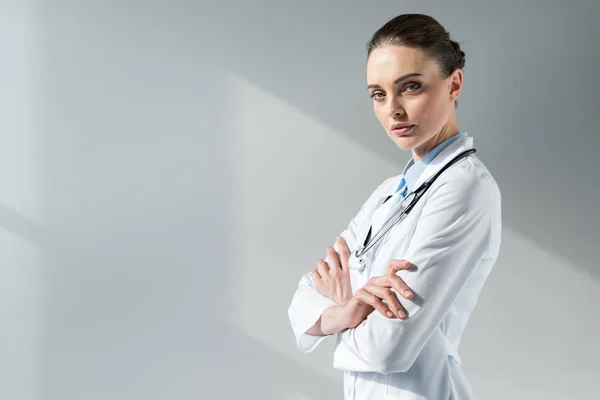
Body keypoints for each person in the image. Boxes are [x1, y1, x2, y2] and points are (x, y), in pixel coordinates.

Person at [287, 13, 502, 400]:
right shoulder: (390, 193)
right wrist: (349, 309)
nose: (393, 110)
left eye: (411, 87)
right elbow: (302, 300)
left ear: (454, 84)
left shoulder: (464, 188)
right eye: (379, 94)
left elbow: (388, 349)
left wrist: (338, 306)